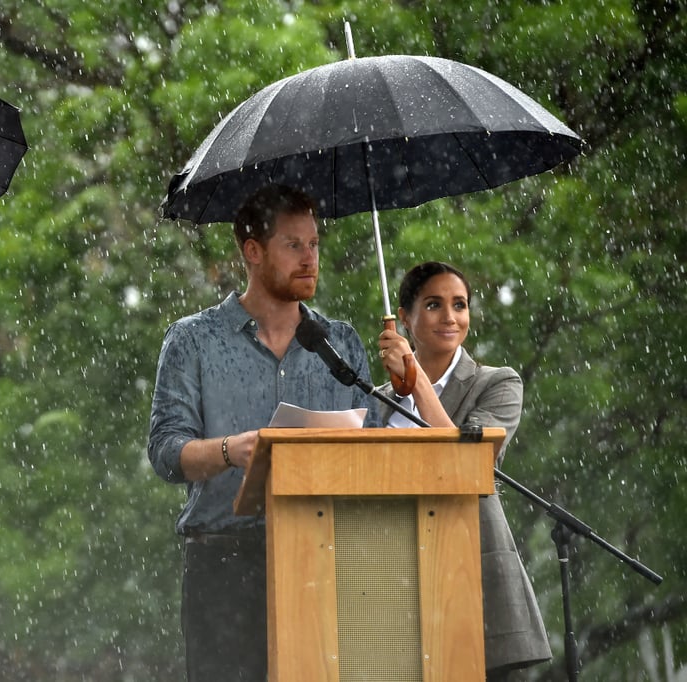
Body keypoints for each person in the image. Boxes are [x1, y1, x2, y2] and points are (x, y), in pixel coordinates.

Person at [148, 184, 373, 681]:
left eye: (314, 243)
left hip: (323, 558)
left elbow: (373, 453)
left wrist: (407, 383)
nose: (310, 257)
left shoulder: (341, 343)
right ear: (252, 251)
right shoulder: (192, 340)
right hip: (223, 562)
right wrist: (231, 450)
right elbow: (165, 451)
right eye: (293, 245)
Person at [374, 260, 551, 680]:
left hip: (473, 581)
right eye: (434, 305)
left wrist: (414, 380)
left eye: (460, 305)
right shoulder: (377, 401)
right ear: (403, 318)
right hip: (395, 583)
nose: (451, 317)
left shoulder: (497, 384)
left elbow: (462, 465)